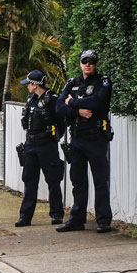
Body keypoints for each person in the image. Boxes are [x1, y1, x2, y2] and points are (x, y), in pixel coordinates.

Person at [55, 49, 113, 233]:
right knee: (78, 181)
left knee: (100, 181)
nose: (88, 64)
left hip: (96, 138)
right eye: (84, 61)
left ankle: (103, 221)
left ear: (96, 64)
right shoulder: (72, 83)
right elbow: (58, 107)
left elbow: (97, 103)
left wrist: (72, 103)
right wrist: (78, 111)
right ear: (80, 63)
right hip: (77, 138)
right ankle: (77, 219)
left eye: (91, 61)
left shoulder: (103, 82)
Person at [15, 70, 65, 227]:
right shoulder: (31, 100)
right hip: (31, 144)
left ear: (35, 84)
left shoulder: (52, 99)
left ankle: (56, 214)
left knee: (53, 180)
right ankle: (25, 216)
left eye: (28, 84)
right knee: (29, 181)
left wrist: (52, 138)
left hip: (47, 146)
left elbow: (61, 123)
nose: (27, 86)